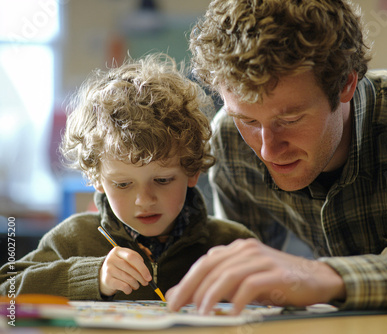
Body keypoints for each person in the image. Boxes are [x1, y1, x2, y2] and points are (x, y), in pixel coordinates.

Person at [167, 0, 387, 315]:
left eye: (290, 119)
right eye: (249, 120)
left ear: (346, 84)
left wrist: (326, 276)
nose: (268, 149)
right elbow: (245, 282)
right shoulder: (229, 136)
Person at [0, 53, 255, 300]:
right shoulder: (73, 239)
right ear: (97, 179)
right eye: (123, 184)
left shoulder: (231, 243)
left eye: (162, 180)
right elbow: (6, 289)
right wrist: (93, 276)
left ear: (191, 170)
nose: (144, 200)